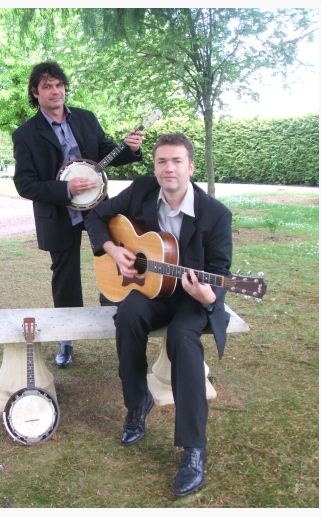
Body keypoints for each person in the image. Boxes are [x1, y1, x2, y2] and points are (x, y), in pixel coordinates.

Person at [84, 133, 232, 496]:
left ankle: (193, 449)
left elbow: (220, 272)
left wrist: (208, 294)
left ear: (191, 167)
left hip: (189, 297)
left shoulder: (215, 214)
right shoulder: (142, 189)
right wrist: (113, 251)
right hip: (150, 290)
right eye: (162, 161)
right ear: (154, 167)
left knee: (183, 339)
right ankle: (137, 404)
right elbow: (96, 217)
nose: (168, 168)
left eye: (177, 161)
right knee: (129, 315)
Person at [12, 61, 144, 368]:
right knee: (65, 276)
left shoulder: (85, 118)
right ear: (36, 92)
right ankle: (67, 337)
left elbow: (105, 153)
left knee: (117, 256)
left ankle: (121, 316)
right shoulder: (26, 134)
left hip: (97, 206)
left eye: (59, 85)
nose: (55, 91)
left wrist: (130, 148)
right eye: (47, 86)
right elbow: (25, 183)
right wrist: (65, 189)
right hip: (59, 214)